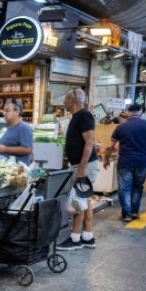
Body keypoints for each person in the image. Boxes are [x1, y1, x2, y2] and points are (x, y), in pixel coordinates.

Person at [103, 104, 146, 221]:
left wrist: (106, 159)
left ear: (127, 113)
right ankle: (135, 211)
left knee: (125, 188)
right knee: (137, 186)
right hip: (144, 162)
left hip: (125, 162)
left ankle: (126, 214)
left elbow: (110, 146)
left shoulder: (121, 127)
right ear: (140, 113)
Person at [58, 89, 100, 251]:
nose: (63, 102)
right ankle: (88, 236)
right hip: (81, 165)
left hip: (85, 166)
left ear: (73, 100)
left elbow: (89, 143)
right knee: (85, 201)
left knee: (78, 202)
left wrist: (81, 169)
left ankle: (75, 238)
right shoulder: (77, 116)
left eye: (65, 98)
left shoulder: (84, 115)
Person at [0, 98, 33, 165]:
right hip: (8, 169)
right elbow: (4, 147)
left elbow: (27, 149)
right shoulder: (8, 128)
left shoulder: (24, 128)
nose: (4, 113)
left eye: (7, 111)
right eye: (4, 111)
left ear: (17, 112)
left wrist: (5, 149)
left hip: (19, 171)